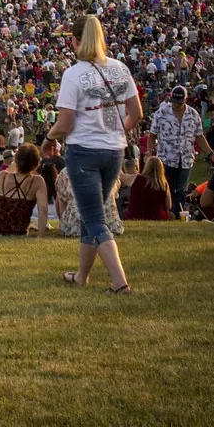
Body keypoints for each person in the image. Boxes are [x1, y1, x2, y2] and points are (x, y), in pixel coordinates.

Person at [45, 15, 142, 294]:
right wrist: (112, 131)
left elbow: (65, 123)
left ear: (75, 41)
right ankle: (81, 275)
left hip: (84, 150)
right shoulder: (120, 68)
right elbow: (136, 114)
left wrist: (48, 138)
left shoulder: (73, 74)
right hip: (114, 150)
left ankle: (119, 281)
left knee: (95, 218)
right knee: (92, 213)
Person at [150, 85, 214, 216]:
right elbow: (152, 134)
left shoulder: (193, 114)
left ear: (185, 100)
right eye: (174, 101)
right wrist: (150, 153)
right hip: (166, 157)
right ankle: (165, 214)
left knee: (181, 189)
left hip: (185, 158)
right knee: (166, 188)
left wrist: (211, 153)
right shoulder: (161, 113)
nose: (176, 105)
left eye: (179, 102)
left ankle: (178, 214)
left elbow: (199, 136)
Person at [0, 144, 49, 236]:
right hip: (18, 231)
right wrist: (40, 237)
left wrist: (14, 163)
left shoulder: (2, 175)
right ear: (36, 163)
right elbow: (43, 210)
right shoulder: (38, 181)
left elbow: (10, 170)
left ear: (16, 160)